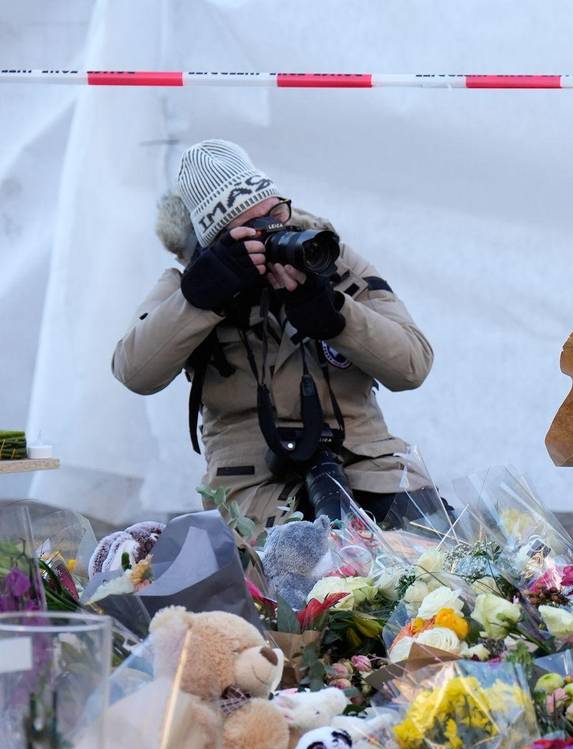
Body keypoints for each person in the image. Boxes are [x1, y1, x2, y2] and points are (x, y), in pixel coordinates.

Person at [113, 139, 441, 532]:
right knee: (305, 558)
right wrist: (202, 300)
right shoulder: (190, 286)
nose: (273, 231)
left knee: (434, 550)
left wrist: (337, 317)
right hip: (255, 486)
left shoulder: (328, 258)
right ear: (220, 242)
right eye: (252, 229)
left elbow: (413, 365)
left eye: (275, 213)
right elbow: (134, 371)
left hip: (367, 463)